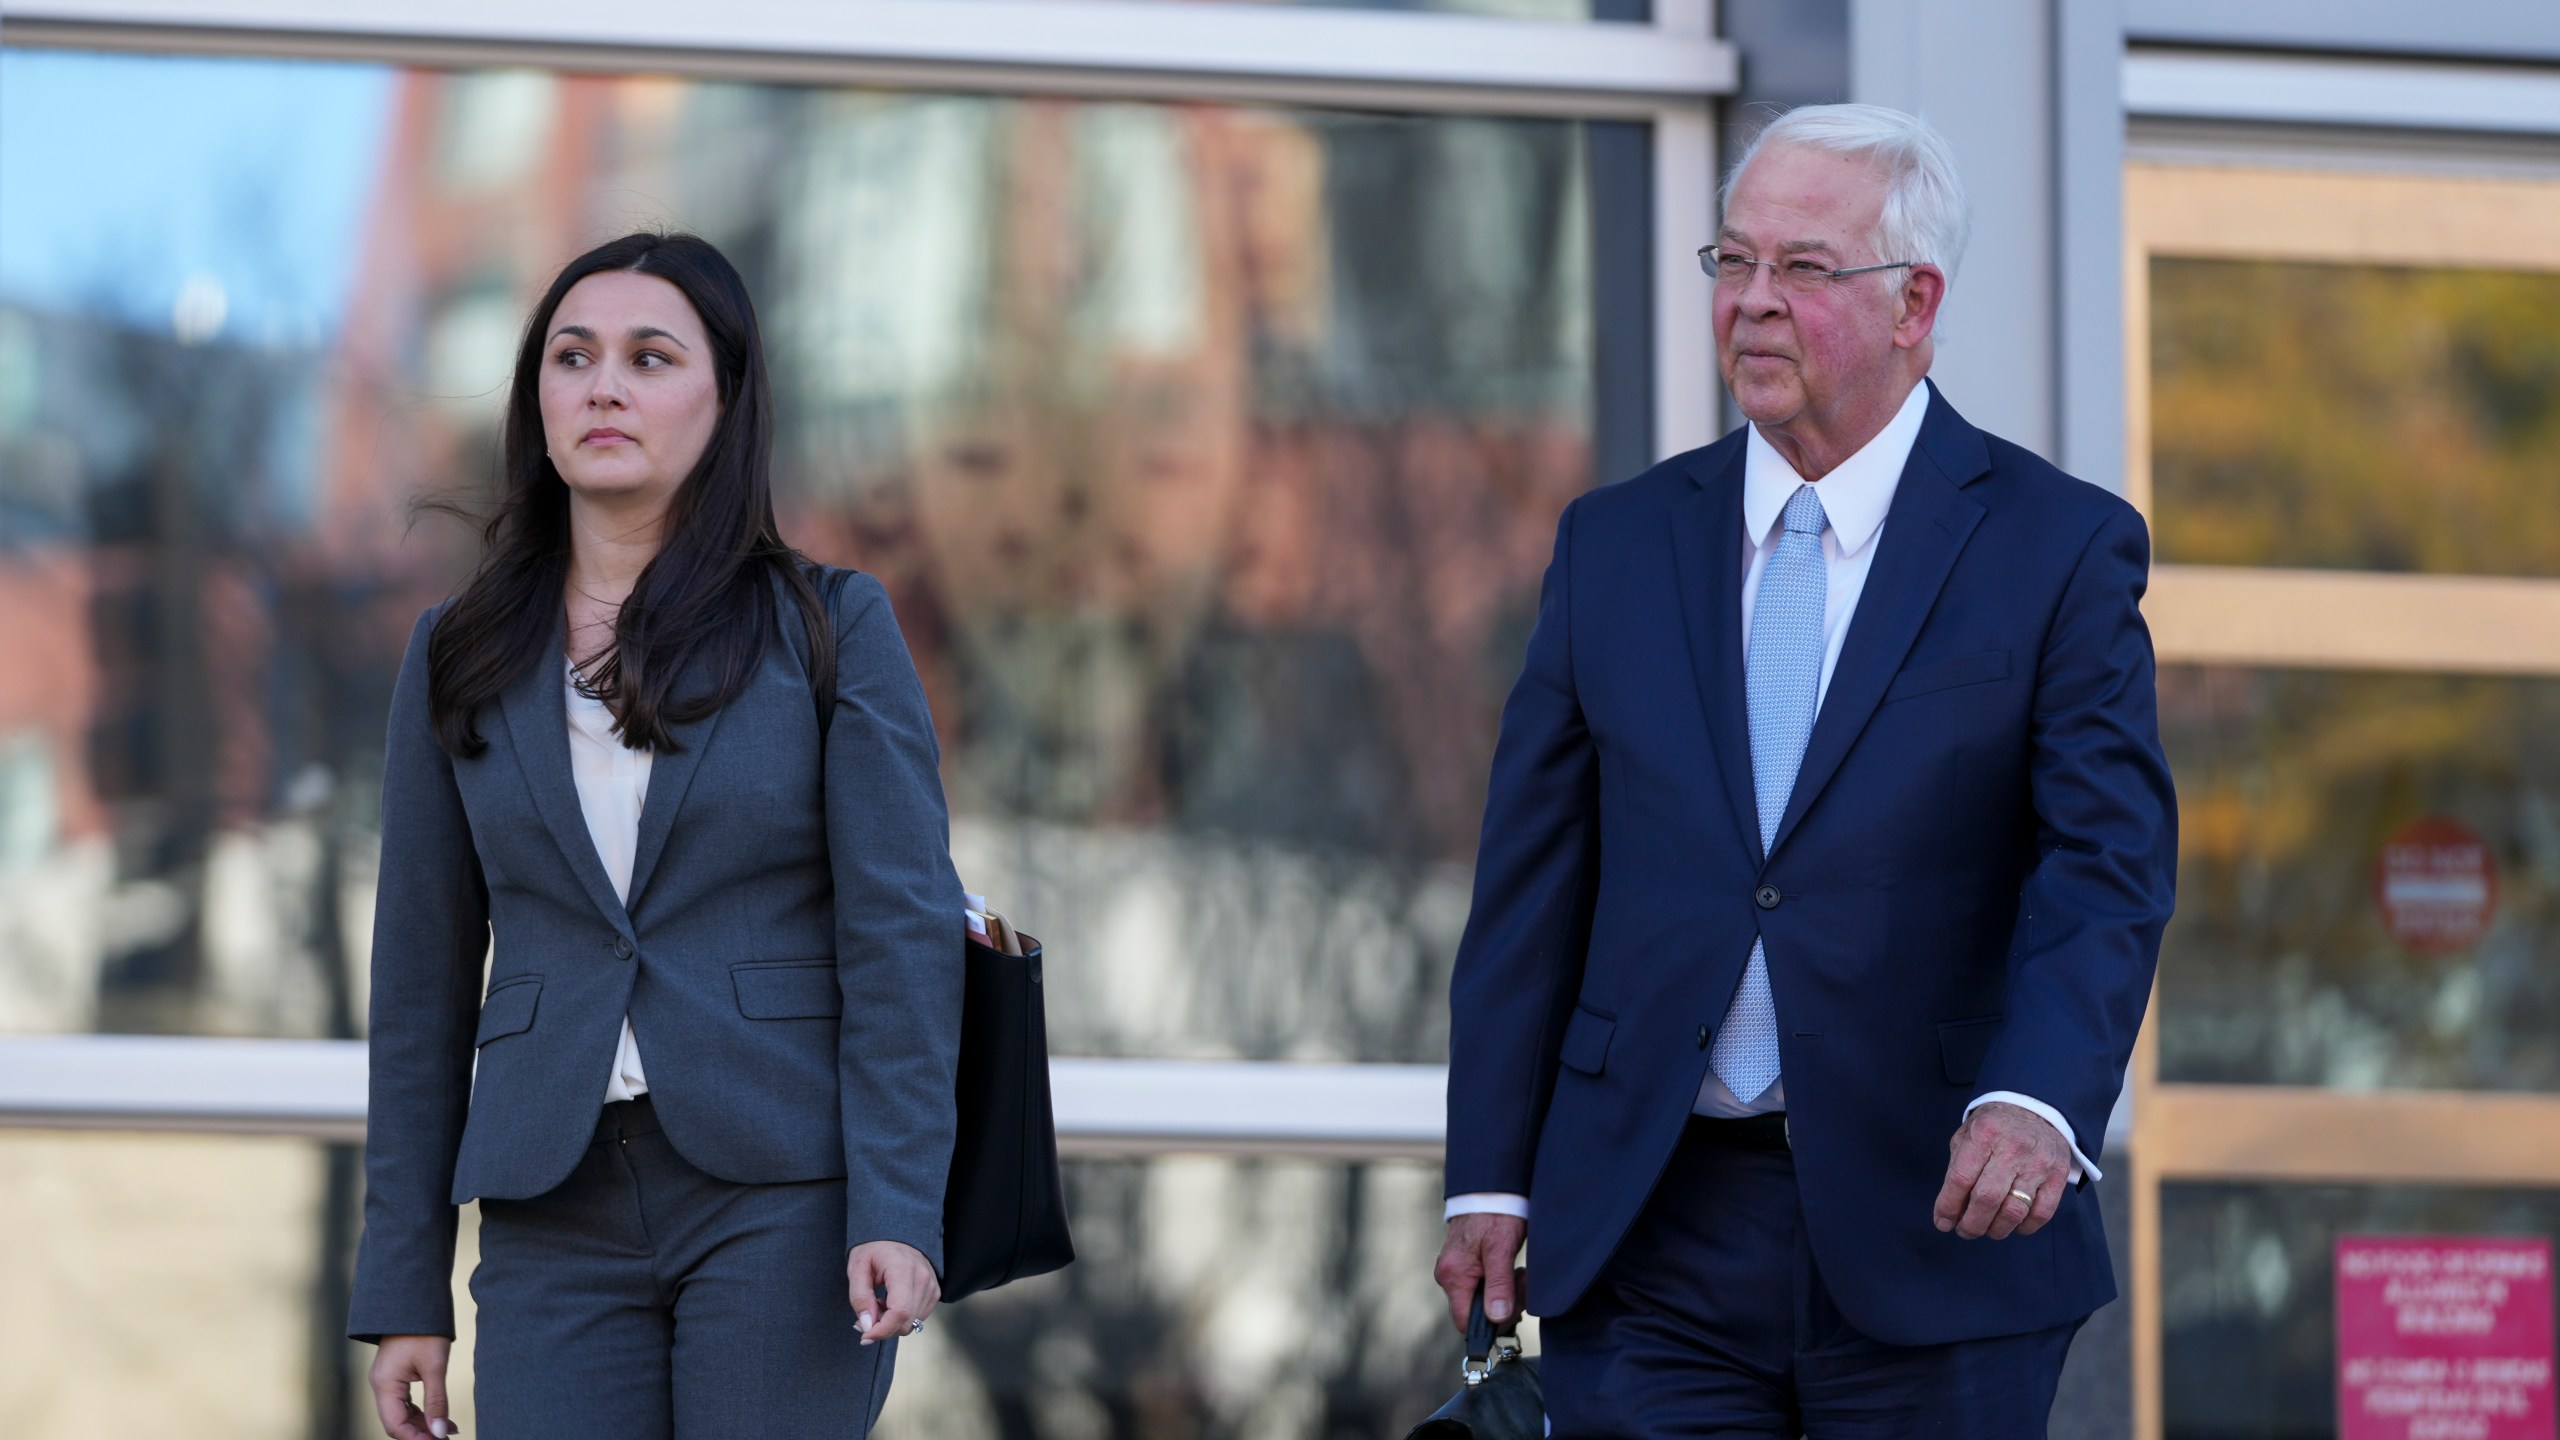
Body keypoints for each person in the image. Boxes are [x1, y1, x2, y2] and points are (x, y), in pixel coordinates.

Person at [1432, 105, 2177, 1436]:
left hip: (1941, 1221)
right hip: (1654, 1227)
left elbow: (2108, 864)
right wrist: (1489, 1173)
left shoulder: (2057, 550)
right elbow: (1531, 889)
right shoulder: (1614, 547)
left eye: (1803, 269)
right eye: (1733, 263)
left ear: (1915, 303)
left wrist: (2038, 1099)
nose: (1754, 303)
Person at [347, 232, 964, 1440]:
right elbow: (417, 980)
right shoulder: (457, 652)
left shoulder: (828, 629)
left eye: (649, 356)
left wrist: (898, 1204)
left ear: (724, 397)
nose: (604, 386)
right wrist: (402, 1281)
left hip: (781, 1195)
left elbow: (900, 936)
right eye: (572, 357)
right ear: (538, 397)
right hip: (548, 1203)